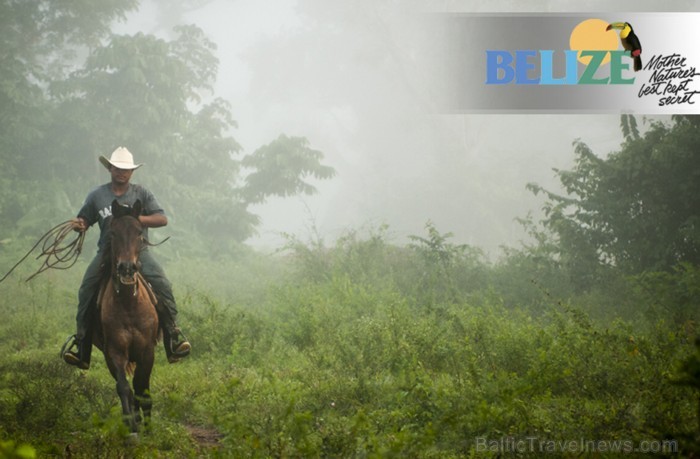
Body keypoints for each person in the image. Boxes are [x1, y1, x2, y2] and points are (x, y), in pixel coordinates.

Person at [62, 146, 191, 368]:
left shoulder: (142, 193)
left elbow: (162, 219)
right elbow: (84, 220)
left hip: (139, 251)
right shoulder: (97, 195)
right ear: (110, 168)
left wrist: (137, 220)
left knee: (162, 284)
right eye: (117, 168)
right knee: (86, 289)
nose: (122, 172)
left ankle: (173, 335)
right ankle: (82, 345)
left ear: (131, 172)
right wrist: (79, 225)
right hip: (107, 252)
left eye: (126, 169)